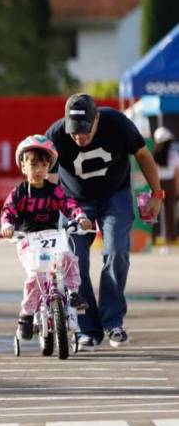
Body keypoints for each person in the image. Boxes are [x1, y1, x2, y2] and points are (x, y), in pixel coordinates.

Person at [45, 94, 163, 349]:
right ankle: (87, 329)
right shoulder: (55, 134)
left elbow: (143, 156)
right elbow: (46, 178)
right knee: (75, 259)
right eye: (74, 133)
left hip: (115, 195)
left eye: (85, 132)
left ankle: (113, 322)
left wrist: (157, 194)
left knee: (117, 251)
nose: (79, 138)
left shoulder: (117, 123)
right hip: (75, 201)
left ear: (96, 118)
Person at [0, 135, 93, 340]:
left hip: (54, 237)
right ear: (23, 166)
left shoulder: (55, 191)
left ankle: (73, 293)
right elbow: (8, 211)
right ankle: (26, 315)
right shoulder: (20, 193)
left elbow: (69, 204)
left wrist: (81, 217)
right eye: (33, 164)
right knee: (36, 276)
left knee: (69, 258)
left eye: (43, 164)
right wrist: (7, 226)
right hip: (28, 240)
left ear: (49, 166)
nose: (39, 169)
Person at [152, 127, 179, 245]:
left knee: (153, 211)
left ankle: (152, 237)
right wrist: (177, 188)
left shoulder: (153, 154)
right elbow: (177, 173)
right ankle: (170, 238)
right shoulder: (174, 154)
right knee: (170, 212)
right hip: (170, 184)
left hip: (157, 184)